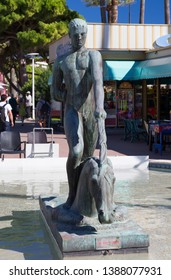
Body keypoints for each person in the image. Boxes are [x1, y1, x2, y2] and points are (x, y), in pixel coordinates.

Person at [51, 18, 107, 208]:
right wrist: (61, 93)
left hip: (90, 111)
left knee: (88, 156)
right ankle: (72, 194)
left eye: (83, 34)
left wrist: (100, 107)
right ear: (70, 35)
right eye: (76, 35)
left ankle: (87, 198)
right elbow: (55, 90)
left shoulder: (93, 56)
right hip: (71, 110)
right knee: (76, 151)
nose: (80, 37)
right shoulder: (60, 61)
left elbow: (99, 83)